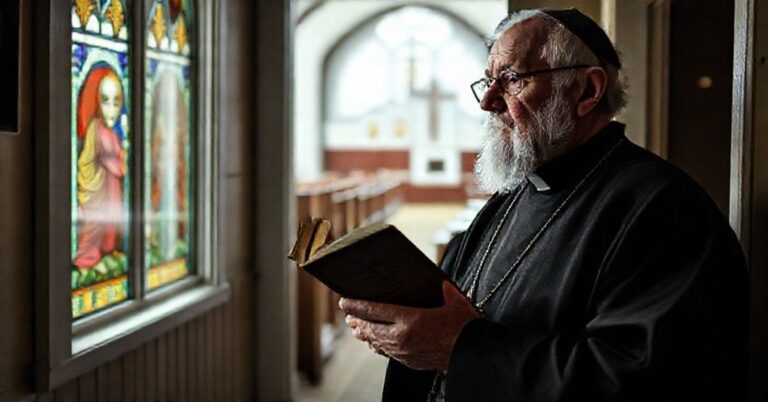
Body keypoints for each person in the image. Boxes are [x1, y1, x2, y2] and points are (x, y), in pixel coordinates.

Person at [340, 8, 748, 402]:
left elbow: (640, 381)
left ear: (587, 90)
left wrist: (459, 347)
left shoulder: (665, 210)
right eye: (489, 81)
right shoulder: (512, 195)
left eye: (511, 79)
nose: (488, 101)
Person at [74, 65, 128, 271]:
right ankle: (88, 259)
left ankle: (108, 250)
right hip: (96, 190)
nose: (112, 109)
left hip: (110, 188)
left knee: (111, 221)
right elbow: (114, 163)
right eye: (106, 101)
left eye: (116, 102)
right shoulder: (97, 129)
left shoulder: (110, 132)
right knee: (96, 224)